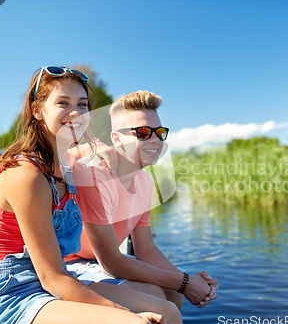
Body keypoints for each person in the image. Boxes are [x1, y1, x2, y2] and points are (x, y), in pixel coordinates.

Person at [0, 67, 183, 324]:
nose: (76, 112)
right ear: (37, 110)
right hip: (12, 295)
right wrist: (123, 313)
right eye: (63, 103)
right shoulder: (26, 176)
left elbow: (89, 154)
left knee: (168, 311)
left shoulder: (70, 170)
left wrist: (101, 148)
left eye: (83, 105)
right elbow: (52, 277)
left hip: (58, 279)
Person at [65, 91, 219, 310]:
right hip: (71, 262)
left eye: (160, 132)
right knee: (155, 296)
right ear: (117, 139)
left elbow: (145, 249)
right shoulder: (97, 174)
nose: (154, 139)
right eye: (144, 132)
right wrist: (185, 283)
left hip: (101, 261)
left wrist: (188, 280)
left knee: (173, 294)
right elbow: (111, 263)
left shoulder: (145, 182)